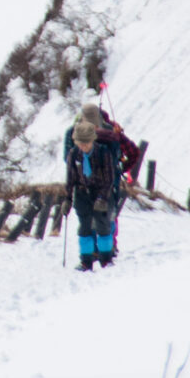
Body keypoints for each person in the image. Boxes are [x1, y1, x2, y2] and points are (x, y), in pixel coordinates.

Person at [64, 109, 141, 270]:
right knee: (102, 223)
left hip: (96, 190)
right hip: (99, 190)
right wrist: (123, 168)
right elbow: (133, 152)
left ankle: (96, 257)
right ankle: (102, 255)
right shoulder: (113, 132)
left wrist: (100, 196)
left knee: (96, 224)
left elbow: (74, 174)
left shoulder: (96, 147)